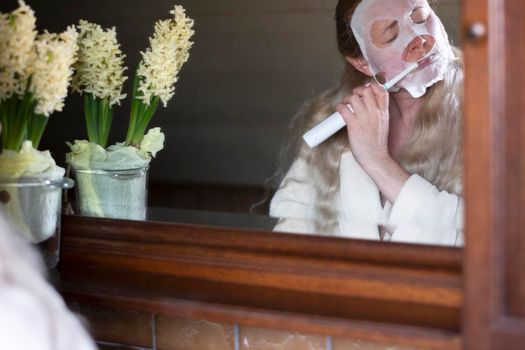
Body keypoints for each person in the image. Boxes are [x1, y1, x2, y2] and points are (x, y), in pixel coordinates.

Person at [269, 0, 464, 246]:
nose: (420, 40)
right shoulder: (328, 120)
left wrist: (377, 161)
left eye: (421, 18)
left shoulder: (500, 112)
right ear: (362, 63)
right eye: (391, 35)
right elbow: (291, 240)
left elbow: (494, 243)